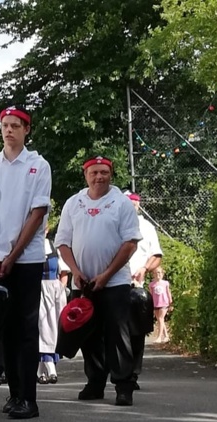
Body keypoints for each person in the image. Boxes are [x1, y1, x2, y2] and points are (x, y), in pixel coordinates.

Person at [0, 105, 51, 419]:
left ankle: (29, 397)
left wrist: (12, 255)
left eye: (15, 125)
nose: (9, 130)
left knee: (25, 327)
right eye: (5, 125)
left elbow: (37, 214)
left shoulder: (38, 165)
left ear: (26, 130)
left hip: (26, 258)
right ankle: (13, 393)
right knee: (5, 327)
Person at [55, 156, 141, 406]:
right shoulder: (73, 203)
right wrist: (75, 271)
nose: (99, 177)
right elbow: (63, 242)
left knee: (118, 334)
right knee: (88, 336)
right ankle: (95, 382)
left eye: (104, 172)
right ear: (86, 175)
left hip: (115, 282)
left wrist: (106, 275)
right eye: (94, 172)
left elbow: (130, 243)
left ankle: (123, 385)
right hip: (83, 283)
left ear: (111, 174)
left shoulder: (121, 203)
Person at [125, 191, 163, 389]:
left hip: (136, 287)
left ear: (139, 206)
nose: (131, 206)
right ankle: (111, 374)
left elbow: (157, 255)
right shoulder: (114, 221)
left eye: (134, 204)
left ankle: (132, 375)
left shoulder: (146, 227)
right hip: (112, 284)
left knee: (137, 334)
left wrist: (144, 268)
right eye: (128, 203)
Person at [38, 226, 70, 385]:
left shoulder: (53, 247)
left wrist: (60, 290)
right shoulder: (32, 247)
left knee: (54, 328)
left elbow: (64, 274)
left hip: (54, 290)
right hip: (38, 289)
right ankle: (48, 366)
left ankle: (43, 368)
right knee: (42, 327)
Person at [149, 267, 173, 343]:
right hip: (156, 304)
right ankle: (166, 336)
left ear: (162, 274)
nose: (158, 274)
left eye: (159, 272)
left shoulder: (165, 283)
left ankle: (159, 337)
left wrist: (170, 302)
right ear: (153, 274)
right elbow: (151, 295)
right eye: (156, 273)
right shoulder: (151, 284)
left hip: (164, 303)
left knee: (160, 318)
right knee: (160, 320)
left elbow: (168, 292)